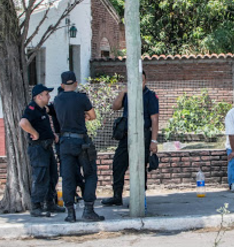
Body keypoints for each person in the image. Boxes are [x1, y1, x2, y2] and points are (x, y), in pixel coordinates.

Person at [102, 71, 159, 206]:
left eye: (142, 80)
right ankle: (117, 196)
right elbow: (115, 107)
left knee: (139, 167)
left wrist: (154, 140)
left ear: (145, 81)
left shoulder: (150, 96)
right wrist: (123, 92)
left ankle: (138, 198)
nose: (140, 83)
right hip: (126, 135)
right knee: (118, 164)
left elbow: (155, 119)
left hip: (143, 135)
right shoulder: (128, 94)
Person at [54, 71, 104, 222]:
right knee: (90, 174)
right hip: (81, 142)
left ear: (62, 85)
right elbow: (93, 116)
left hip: (65, 143)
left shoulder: (57, 100)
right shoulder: (81, 98)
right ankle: (88, 210)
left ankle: (70, 214)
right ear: (75, 84)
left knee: (68, 178)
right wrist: (85, 116)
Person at [19, 84, 64, 217]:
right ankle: (36, 206)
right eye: (46, 94)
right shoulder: (32, 109)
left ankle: (50, 203)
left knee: (52, 175)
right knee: (41, 177)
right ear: (39, 96)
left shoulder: (42, 109)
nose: (49, 96)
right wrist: (34, 133)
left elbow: (43, 124)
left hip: (47, 147)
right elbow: (23, 123)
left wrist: (52, 135)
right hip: (38, 148)